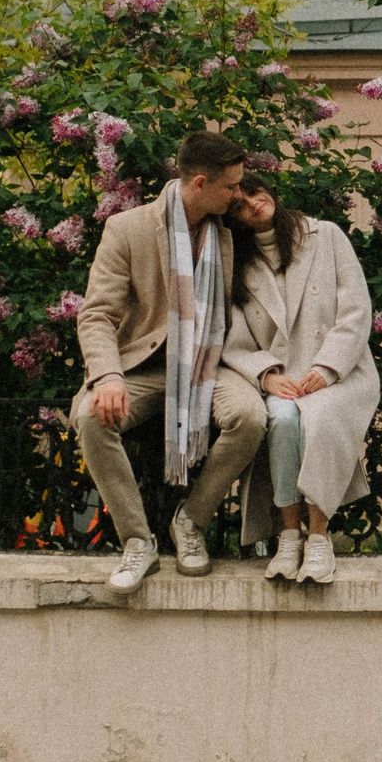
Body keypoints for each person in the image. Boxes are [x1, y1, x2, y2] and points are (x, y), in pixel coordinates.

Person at [73, 129, 270, 593]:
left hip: (210, 364)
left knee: (250, 417)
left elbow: (282, 240)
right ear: (200, 183)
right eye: (230, 186)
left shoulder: (232, 229)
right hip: (143, 365)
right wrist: (107, 375)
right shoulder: (128, 229)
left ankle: (190, 521)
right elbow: (97, 314)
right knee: (90, 417)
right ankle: (137, 541)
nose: (238, 194)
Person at [222, 175, 381, 584]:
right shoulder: (238, 264)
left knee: (318, 419)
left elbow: (356, 310)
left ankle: (319, 538)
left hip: (341, 373)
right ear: (233, 220)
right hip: (284, 377)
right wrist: (266, 375)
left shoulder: (325, 236)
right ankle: (290, 536)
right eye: (239, 205)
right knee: (283, 419)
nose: (253, 203)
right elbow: (234, 339)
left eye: (254, 192)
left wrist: (327, 368)